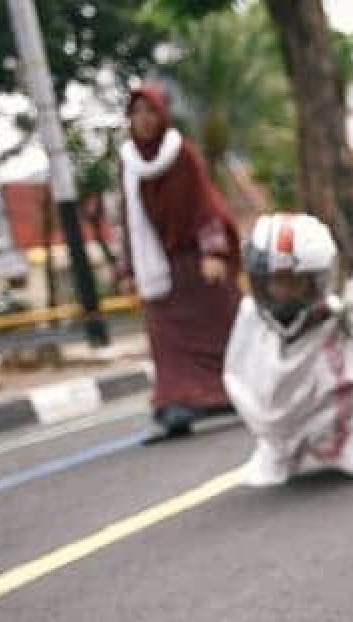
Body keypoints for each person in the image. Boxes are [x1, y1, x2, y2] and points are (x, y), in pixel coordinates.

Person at [223, 213, 353, 486]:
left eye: (292, 283)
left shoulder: (344, 323)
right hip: (277, 444)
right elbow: (242, 377)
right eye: (275, 283)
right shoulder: (251, 321)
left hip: (338, 435)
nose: (283, 293)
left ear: (317, 281)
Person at [117, 83, 241, 442]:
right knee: (165, 341)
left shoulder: (182, 154)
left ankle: (240, 392)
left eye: (150, 112)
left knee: (228, 332)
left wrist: (214, 252)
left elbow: (206, 205)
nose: (143, 120)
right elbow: (127, 219)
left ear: (163, 115)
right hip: (160, 271)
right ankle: (176, 406)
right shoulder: (129, 164)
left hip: (198, 266)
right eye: (136, 113)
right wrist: (127, 269)